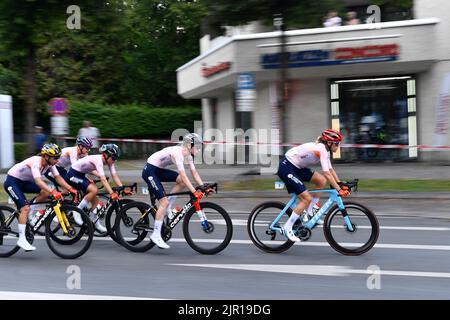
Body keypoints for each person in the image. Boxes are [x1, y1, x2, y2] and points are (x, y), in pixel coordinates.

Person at [277, 129, 350, 242]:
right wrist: (339, 190)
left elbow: (330, 170)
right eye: (337, 143)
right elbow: (327, 173)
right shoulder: (321, 149)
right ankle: (287, 228)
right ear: (329, 143)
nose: (338, 146)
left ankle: (311, 213)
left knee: (321, 180)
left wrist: (340, 184)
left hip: (297, 168)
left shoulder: (325, 150)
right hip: (287, 167)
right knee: (306, 198)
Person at [3, 144, 77, 251]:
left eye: (58, 157)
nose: (57, 160)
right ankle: (22, 240)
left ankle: (31, 212)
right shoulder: (35, 162)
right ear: (46, 156)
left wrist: (70, 189)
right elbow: (38, 181)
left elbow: (58, 178)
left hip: (24, 182)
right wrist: (53, 191)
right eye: (55, 158)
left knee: (45, 192)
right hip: (12, 182)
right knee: (25, 208)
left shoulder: (50, 164)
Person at [143, 133, 206, 249]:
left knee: (181, 182)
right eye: (197, 146)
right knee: (163, 202)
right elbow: (184, 175)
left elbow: (194, 173)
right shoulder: (178, 153)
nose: (199, 149)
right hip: (150, 171)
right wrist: (194, 191)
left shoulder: (189, 156)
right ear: (188, 145)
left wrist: (202, 186)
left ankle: (168, 208)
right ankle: (156, 235)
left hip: (159, 170)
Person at [65, 143, 131, 232]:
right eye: (114, 158)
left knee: (96, 200)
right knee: (94, 189)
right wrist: (112, 193)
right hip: (72, 175)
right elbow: (103, 179)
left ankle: (95, 223)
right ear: (106, 155)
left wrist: (122, 188)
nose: (115, 161)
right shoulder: (98, 160)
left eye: (116, 158)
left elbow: (114, 176)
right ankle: (77, 211)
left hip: (81, 175)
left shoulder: (109, 161)